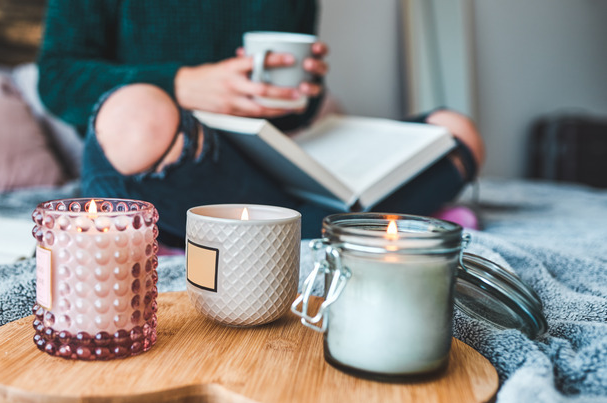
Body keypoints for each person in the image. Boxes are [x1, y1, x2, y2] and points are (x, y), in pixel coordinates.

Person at [37, 0, 484, 245]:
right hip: (168, 159)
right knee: (137, 113)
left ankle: (273, 228)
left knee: (456, 131)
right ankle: (351, 224)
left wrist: (301, 94)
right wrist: (184, 85)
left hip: (259, 160)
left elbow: (297, 112)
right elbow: (57, 79)